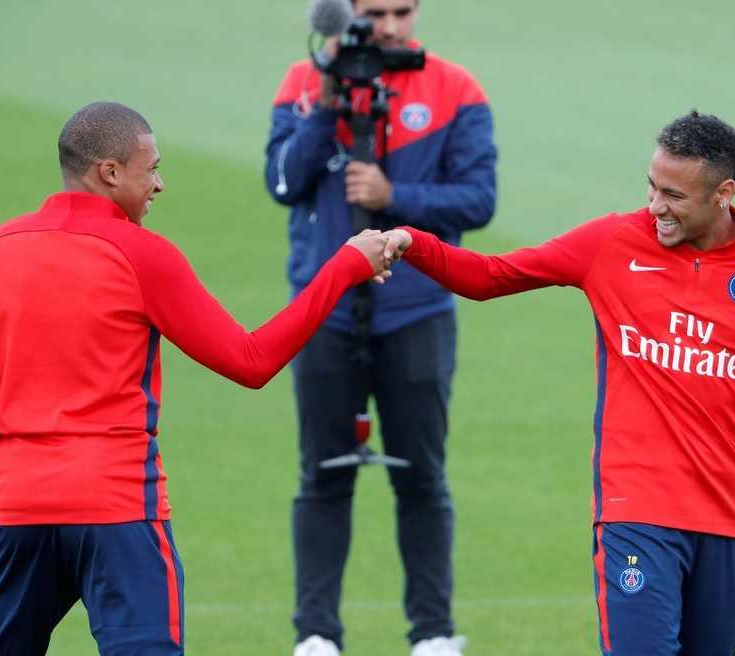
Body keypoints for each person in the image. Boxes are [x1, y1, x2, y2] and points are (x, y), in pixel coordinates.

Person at [0, 101, 394, 656]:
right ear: (110, 172)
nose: (160, 184)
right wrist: (345, 266)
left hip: (19, 508)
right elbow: (251, 360)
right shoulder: (142, 254)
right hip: (119, 510)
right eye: (152, 168)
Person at [382, 110, 735, 655]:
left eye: (675, 196)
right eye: (652, 187)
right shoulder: (612, 243)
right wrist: (411, 242)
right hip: (636, 510)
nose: (656, 207)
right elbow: (491, 275)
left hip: (728, 518)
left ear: (723, 193)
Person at [265, 0, 497, 654]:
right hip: (324, 310)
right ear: (348, 15)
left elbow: (479, 200)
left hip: (417, 309)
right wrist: (332, 103)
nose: (388, 26)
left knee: (421, 474)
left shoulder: (455, 88)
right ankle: (315, 637)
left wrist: (393, 197)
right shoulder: (304, 83)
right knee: (323, 475)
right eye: (373, 12)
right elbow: (282, 181)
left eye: (401, 10)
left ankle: (432, 635)